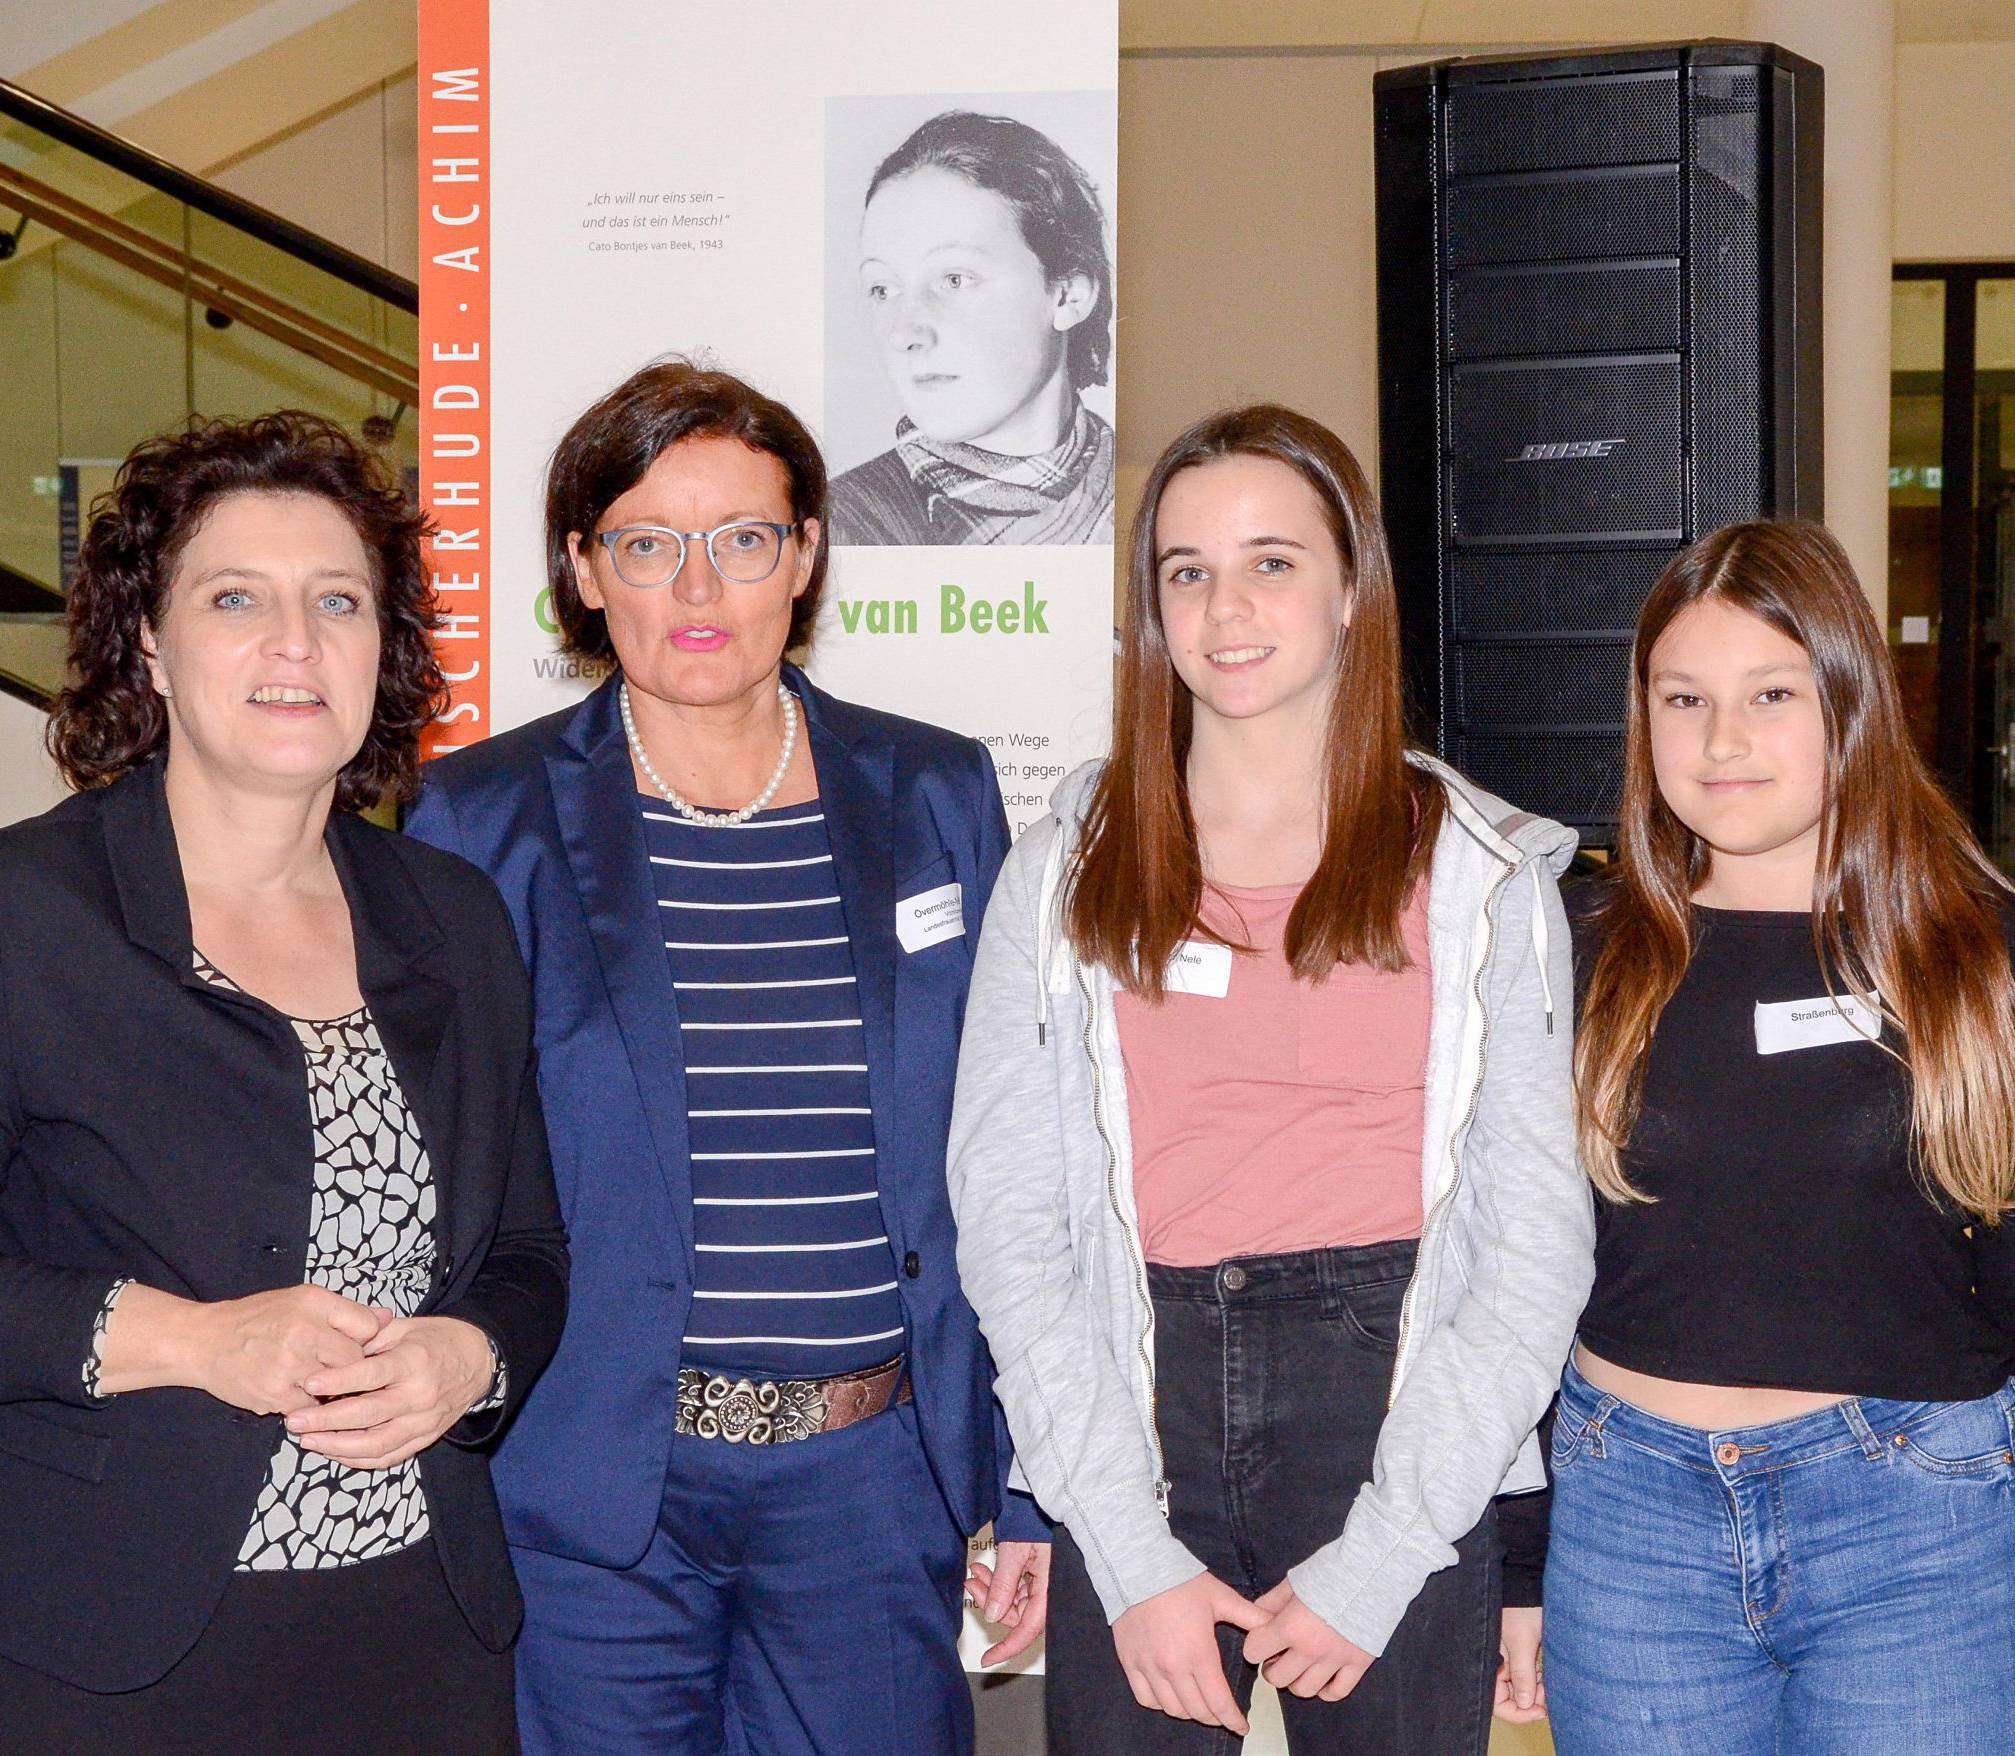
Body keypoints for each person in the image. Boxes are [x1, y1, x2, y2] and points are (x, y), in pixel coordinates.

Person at [404, 358, 1050, 1753]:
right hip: (596, 1489)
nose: (697, 594)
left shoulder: (934, 792)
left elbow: (1016, 1152)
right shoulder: (477, 819)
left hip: (874, 1483)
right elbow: (443, 1171)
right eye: (647, 545)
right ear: (582, 571)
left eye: (742, 541)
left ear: (804, 554)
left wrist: (1026, 1484)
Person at [947, 403, 1595, 1754]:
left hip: (1397, 1415)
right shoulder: (1063, 869)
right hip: (1133, 1410)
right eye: (1184, 570)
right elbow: (1010, 1232)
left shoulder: (1481, 873)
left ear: (1351, 587)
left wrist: (1382, 1556)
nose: (1223, 607)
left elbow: (1534, 1249)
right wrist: (1125, 1547)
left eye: (1269, 562)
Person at [0, 412, 568, 1752]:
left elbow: (532, 1249)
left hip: (419, 1630)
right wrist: (196, 1341)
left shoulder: (453, 915)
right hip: (116, 1645)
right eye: (235, 598)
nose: (293, 644)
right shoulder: (29, 915)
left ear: (386, 646)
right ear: (150, 640)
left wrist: (468, 1357)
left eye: (338, 602)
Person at [1516, 520, 2015, 1753]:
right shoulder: (1570, 949)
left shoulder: (1975, 954)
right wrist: (1515, 1558)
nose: (1720, 740)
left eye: (1770, 694)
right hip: (1625, 1518)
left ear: (1849, 704)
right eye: (1681, 698)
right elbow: (1510, 1277)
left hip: (1917, 1523)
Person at [830, 109, 1115, 546]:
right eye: (883, 289)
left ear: (1067, 296)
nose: (905, 334)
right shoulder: (842, 526)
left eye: (954, 280)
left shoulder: (1151, 503)